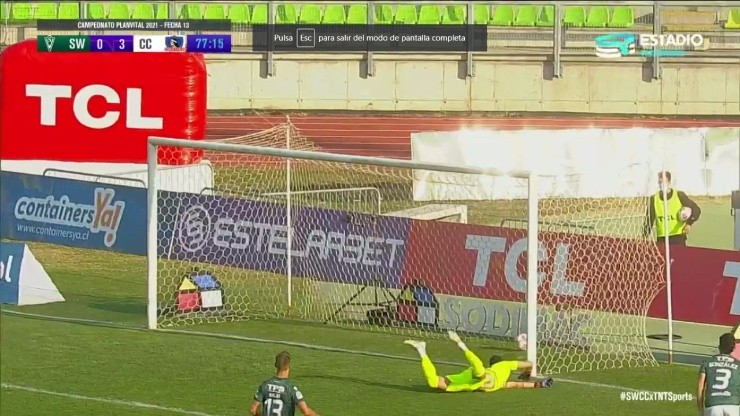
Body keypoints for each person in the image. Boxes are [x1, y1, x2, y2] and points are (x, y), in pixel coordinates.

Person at [404, 330, 553, 393]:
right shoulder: (503, 367)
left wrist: (539, 384)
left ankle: (422, 350)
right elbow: (529, 366)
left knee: (434, 383)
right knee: (480, 371)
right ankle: (460, 344)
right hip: (479, 376)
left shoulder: (502, 381)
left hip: (470, 383)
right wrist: (528, 373)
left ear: (492, 364)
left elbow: (518, 384)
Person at [249, 351, 319, 416]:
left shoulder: (265, 385)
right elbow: (306, 411)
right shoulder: (291, 389)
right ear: (289, 366)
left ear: (276, 365)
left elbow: (253, 409)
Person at [644, 171, 701, 246]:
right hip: (662, 238)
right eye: (660, 182)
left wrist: (689, 224)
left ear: (669, 182)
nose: (662, 184)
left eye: (664, 182)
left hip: (678, 236)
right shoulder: (654, 199)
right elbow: (649, 220)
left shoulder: (679, 195)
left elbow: (696, 209)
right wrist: (644, 236)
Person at [697, 333, 740, 416]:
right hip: (733, 406)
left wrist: (701, 411)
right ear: (733, 347)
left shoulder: (707, 362)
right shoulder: (738, 365)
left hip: (713, 406)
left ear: (719, 346)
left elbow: (700, 388)